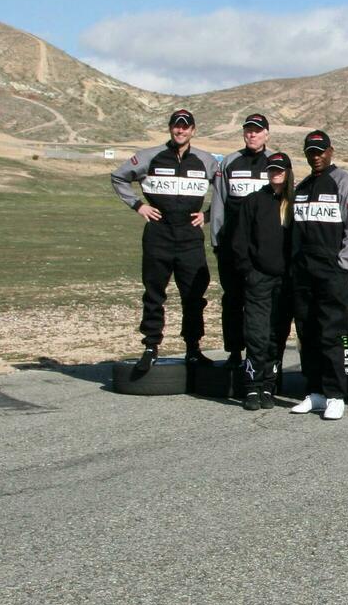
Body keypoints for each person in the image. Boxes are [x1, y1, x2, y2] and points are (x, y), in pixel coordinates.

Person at [111, 109, 220, 371]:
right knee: (153, 294)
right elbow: (118, 177)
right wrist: (138, 206)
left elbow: (225, 189)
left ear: (193, 130)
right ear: (170, 128)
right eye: (176, 126)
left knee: (194, 295)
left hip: (190, 237)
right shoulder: (150, 156)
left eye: (186, 127)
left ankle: (193, 349)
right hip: (158, 235)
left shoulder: (205, 160)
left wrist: (208, 215)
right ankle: (150, 347)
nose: (180, 131)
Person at [288, 130, 348, 422]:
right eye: (311, 152)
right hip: (303, 272)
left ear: (331, 151)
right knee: (306, 333)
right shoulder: (303, 186)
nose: (316, 156)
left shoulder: (345, 183)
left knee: (331, 334)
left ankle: (336, 395)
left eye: (320, 151)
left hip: (332, 271)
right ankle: (315, 393)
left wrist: (343, 263)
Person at [229, 151, 293, 411]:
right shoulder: (254, 201)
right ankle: (252, 387)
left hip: (287, 282)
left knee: (277, 334)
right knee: (256, 333)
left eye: (280, 169)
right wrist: (249, 272)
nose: (275, 174)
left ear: (288, 172)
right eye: (271, 170)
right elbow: (239, 241)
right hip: (259, 279)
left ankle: (269, 384)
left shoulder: (296, 203)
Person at [209, 113, 272, 372]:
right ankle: (235, 353)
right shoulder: (230, 163)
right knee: (233, 299)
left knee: (262, 302)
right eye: (248, 130)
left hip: (265, 248)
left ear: (266, 133)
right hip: (232, 247)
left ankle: (263, 356)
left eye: (257, 130)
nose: (252, 134)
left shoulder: (275, 162)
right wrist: (216, 239)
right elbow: (218, 203)